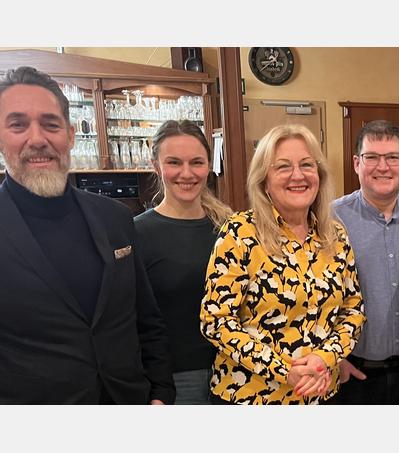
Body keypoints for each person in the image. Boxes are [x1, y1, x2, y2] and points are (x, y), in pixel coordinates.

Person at [0, 66, 174, 404]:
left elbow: (145, 316)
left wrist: (161, 392)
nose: (37, 139)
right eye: (18, 125)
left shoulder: (115, 217)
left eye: (51, 124)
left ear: (70, 135)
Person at [201, 124, 365, 404]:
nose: (297, 175)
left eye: (307, 165)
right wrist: (285, 371)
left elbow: (353, 309)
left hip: (321, 394)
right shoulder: (240, 233)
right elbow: (216, 321)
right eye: (283, 167)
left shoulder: (335, 235)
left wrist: (324, 358)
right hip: (251, 398)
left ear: (319, 175)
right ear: (264, 180)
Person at [331, 120, 399, 404]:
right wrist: (335, 359)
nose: (383, 167)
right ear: (357, 163)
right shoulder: (331, 219)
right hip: (352, 374)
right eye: (372, 157)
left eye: (392, 157)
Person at [134, 120, 232, 404]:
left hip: (238, 371)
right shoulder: (135, 233)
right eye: (174, 162)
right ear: (156, 166)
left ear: (209, 165)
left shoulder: (231, 229)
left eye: (196, 162)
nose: (186, 173)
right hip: (174, 380)